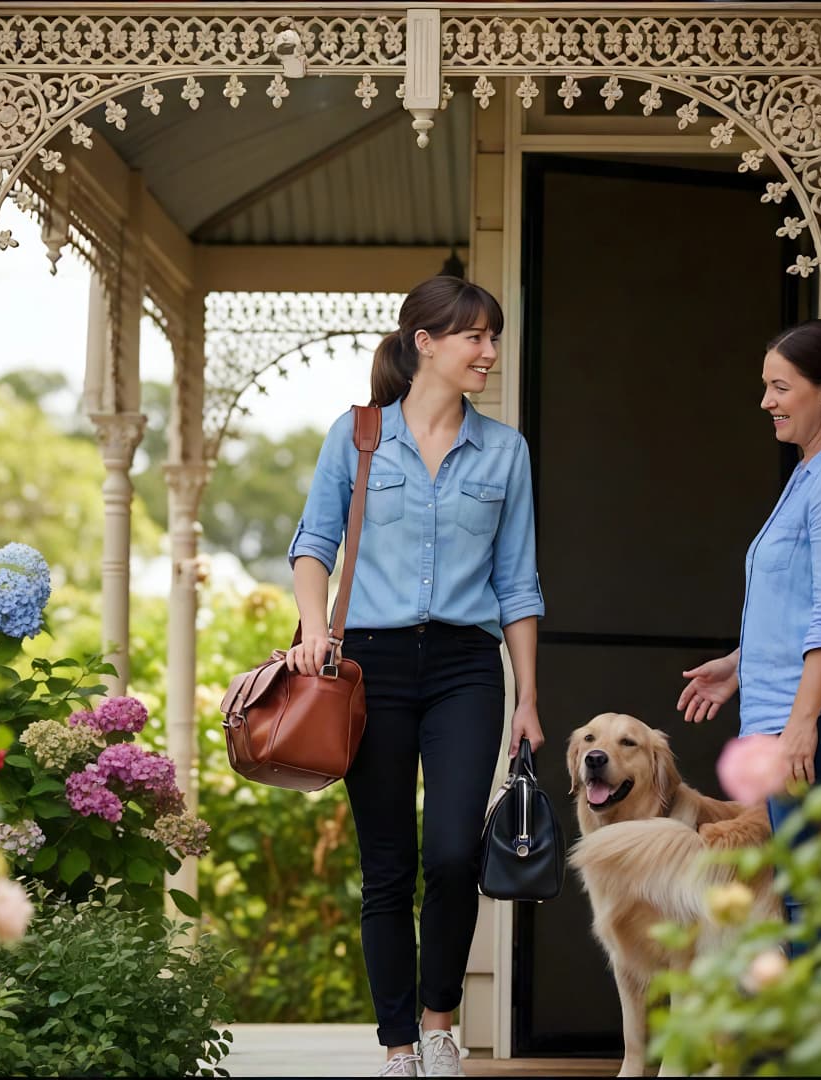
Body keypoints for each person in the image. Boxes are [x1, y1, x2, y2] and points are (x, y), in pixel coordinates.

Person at [286, 275, 545, 1077]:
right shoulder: (358, 435)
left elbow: (518, 581)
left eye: (493, 337)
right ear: (424, 342)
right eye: (474, 337)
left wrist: (528, 694)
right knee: (389, 863)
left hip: (468, 666)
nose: (489, 353)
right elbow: (312, 543)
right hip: (370, 665)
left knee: (455, 855)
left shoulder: (505, 450)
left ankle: (440, 1022)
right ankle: (398, 1044)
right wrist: (316, 631)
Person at [676, 318, 821, 955]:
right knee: (795, 893)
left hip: (803, 731)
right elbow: (793, 603)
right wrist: (740, 664)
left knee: (808, 895)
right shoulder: (806, 472)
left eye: (780, 387)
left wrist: (802, 724)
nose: (766, 401)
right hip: (777, 718)